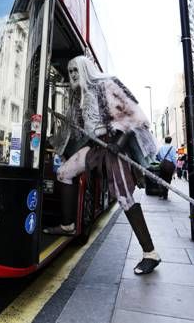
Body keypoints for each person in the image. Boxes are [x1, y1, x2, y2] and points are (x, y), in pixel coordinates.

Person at [48, 56, 161, 275]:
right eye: (69, 72)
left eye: (75, 71)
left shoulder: (106, 84)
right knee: (64, 172)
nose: (72, 76)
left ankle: (151, 253)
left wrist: (118, 144)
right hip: (96, 146)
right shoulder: (78, 96)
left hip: (113, 145)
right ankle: (68, 224)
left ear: (86, 69)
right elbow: (74, 129)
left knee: (124, 198)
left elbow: (133, 116)